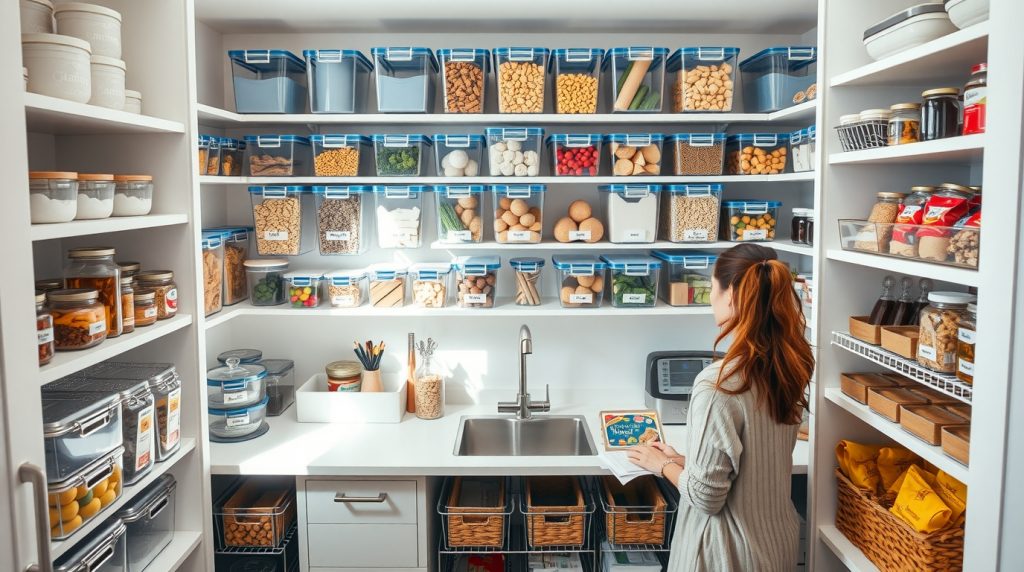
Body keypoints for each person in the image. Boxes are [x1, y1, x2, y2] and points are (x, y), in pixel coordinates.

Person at [628, 243, 814, 572]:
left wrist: (661, 466)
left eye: (713, 287)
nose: (711, 298)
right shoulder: (788, 367)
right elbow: (749, 468)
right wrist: (681, 459)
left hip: (726, 555)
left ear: (731, 296)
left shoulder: (718, 384)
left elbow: (705, 497)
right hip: (775, 546)